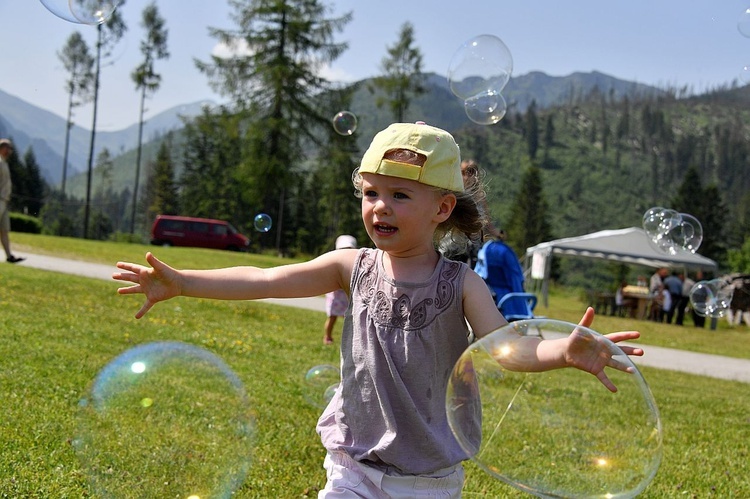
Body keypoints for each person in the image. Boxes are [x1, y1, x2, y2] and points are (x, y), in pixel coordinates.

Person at [113, 122, 643, 497]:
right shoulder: (351, 265)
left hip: (429, 478)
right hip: (354, 464)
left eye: (399, 195)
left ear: (441, 209)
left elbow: (507, 349)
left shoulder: (462, 284)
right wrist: (183, 283)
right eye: (370, 193)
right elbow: (267, 279)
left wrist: (561, 350)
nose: (379, 207)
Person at [473, 230, 526, 317]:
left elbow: (480, 273)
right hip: (511, 299)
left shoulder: (486, 250)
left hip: (492, 296)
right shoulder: (505, 251)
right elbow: (516, 277)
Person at [323, 235, 357, 345]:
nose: (346, 253)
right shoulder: (333, 264)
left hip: (346, 297)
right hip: (335, 296)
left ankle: (352, 340)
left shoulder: (354, 266)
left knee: (350, 319)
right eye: (343, 250)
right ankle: (327, 336)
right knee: (332, 318)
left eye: (349, 250)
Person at [0, 139, 24, 264]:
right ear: (3, 148)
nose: (10, 151)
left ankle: (9, 256)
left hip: (4, 200)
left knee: (4, 230)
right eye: (9, 148)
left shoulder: (4, 163)